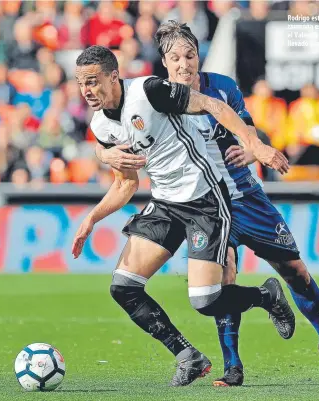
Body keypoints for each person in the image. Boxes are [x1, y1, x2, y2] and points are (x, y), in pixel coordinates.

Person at [97, 21, 319, 386]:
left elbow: (246, 128)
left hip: (245, 197)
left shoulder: (222, 88)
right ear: (164, 62)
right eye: (175, 58)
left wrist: (252, 147)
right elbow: (117, 128)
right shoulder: (154, 96)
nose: (184, 65)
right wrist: (104, 154)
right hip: (205, 203)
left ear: (199, 56)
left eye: (190, 56)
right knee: (222, 278)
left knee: (296, 272)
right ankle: (233, 367)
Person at [72, 45, 293, 386]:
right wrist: (92, 218)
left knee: (205, 301)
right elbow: (127, 184)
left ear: (114, 76)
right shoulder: (102, 124)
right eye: (80, 83)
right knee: (123, 287)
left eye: (92, 81)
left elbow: (213, 105)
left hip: (204, 199)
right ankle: (188, 356)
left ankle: (266, 296)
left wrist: (257, 145)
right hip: (164, 204)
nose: (86, 90)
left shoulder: (150, 92)